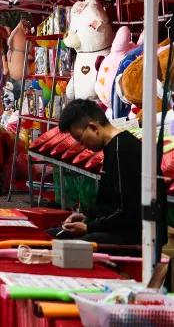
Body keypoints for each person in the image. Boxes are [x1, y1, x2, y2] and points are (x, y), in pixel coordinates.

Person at [52, 98, 142, 244]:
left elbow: (129, 212)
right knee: (52, 235)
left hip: (132, 235)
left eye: (80, 138)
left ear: (93, 127)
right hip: (116, 227)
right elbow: (111, 205)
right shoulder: (113, 147)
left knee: (64, 244)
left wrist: (89, 227)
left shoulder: (123, 149)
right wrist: (87, 216)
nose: (82, 145)